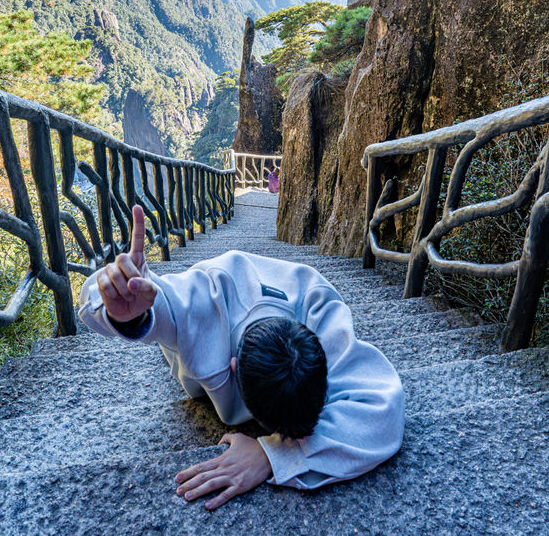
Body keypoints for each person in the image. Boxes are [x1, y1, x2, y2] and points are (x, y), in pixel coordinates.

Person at [79, 205, 405, 510]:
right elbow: (108, 304)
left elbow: (384, 412)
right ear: (232, 369)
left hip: (279, 283)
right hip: (212, 289)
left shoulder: (319, 308)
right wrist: (126, 313)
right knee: (158, 322)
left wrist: (272, 453)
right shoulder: (199, 298)